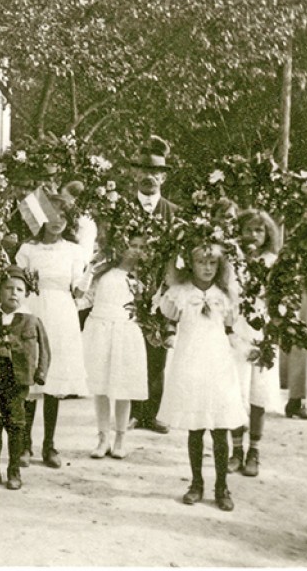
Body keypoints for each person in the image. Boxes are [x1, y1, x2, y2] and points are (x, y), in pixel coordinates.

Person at [158, 243, 247, 512]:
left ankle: (222, 486)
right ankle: (196, 483)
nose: (207, 268)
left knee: (220, 429)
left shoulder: (225, 295)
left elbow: (230, 331)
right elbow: (169, 322)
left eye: (212, 263)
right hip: (191, 363)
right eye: (200, 262)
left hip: (218, 364)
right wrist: (168, 336)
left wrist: (245, 349)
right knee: (195, 428)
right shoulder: (179, 293)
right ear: (190, 263)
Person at [15, 199, 88, 468]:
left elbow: (78, 289)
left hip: (61, 313)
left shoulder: (73, 251)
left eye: (63, 217)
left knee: (53, 383)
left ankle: (50, 445)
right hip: (34, 308)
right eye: (52, 216)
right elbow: (19, 283)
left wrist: (91, 274)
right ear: (40, 218)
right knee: (32, 377)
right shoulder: (27, 249)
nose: (57, 221)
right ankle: (25, 445)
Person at [0, 266, 50, 491]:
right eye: (8, 288)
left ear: (27, 293)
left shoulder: (31, 320)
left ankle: (14, 470)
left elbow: (45, 349)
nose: (13, 293)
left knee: (16, 425)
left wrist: (40, 373)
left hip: (18, 380)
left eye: (19, 289)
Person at [82, 234, 149, 460]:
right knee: (100, 386)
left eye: (142, 247)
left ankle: (120, 438)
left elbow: (148, 307)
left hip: (125, 331)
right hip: (100, 327)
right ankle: (103, 438)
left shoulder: (143, 276)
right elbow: (86, 297)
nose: (136, 251)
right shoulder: (103, 272)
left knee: (123, 387)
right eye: (132, 245)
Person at [228, 210, 284, 477]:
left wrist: (274, 330)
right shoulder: (232, 259)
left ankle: (255, 451)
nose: (253, 235)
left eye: (259, 230)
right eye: (248, 229)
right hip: (237, 329)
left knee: (258, 393)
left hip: (263, 330)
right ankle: (236, 448)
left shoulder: (274, 262)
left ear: (268, 234)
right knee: (235, 391)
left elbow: (282, 300)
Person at [128, 137, 177, 434]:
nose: (149, 176)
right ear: (135, 174)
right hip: (128, 287)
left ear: (163, 176)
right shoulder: (121, 208)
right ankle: (133, 411)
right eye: (143, 170)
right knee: (130, 349)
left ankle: (152, 413)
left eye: (155, 171)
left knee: (157, 351)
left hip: (161, 288)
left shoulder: (174, 212)